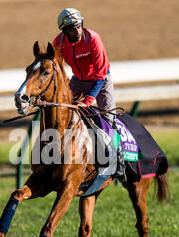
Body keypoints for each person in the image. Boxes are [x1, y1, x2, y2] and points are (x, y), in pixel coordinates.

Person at [52, 8, 125, 182]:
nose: (77, 31)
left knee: (108, 118)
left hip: (101, 80)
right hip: (78, 80)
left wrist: (89, 99)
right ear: (64, 31)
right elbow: (57, 69)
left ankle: (119, 159)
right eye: (71, 28)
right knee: (64, 111)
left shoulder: (93, 39)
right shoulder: (58, 43)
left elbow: (100, 75)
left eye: (78, 26)